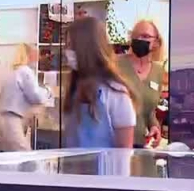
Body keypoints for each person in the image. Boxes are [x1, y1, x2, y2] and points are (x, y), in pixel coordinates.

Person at [63, 17, 137, 148]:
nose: (66, 52)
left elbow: (124, 149)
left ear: (86, 48)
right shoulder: (75, 89)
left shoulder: (116, 93)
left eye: (71, 45)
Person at [117, 20, 165, 148]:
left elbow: (149, 110)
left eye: (145, 36)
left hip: (140, 146)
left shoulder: (158, 71)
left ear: (156, 42)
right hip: (115, 145)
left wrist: (154, 126)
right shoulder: (116, 64)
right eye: (135, 36)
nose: (139, 40)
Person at [0, 43, 53, 151]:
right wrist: (48, 91)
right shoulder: (24, 71)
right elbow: (36, 96)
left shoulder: (12, 72)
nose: (37, 58)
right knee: (26, 156)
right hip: (12, 121)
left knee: (12, 157)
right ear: (28, 55)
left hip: (3, 121)